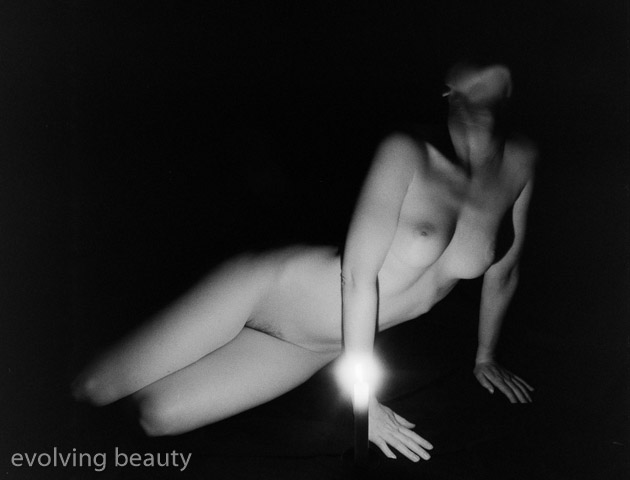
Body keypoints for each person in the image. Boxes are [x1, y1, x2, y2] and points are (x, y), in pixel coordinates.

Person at [72, 63, 536, 463]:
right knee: (93, 388)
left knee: (156, 416)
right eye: (465, 84)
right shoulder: (408, 150)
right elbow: (357, 277)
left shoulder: (521, 161)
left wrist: (485, 356)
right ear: (447, 90)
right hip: (267, 289)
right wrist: (363, 402)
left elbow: (504, 270)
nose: (476, 96)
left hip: (321, 345)